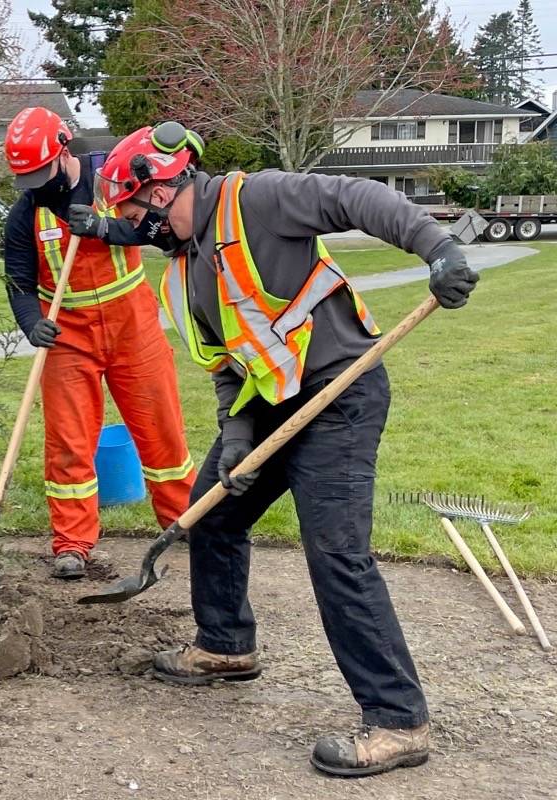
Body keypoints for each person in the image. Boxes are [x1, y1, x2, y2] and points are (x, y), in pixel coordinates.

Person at [75, 122, 478, 777]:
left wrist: (435, 248)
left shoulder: (258, 199)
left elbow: (355, 198)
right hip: (268, 408)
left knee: (336, 556)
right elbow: (228, 360)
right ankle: (226, 645)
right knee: (211, 514)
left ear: (169, 186)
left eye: (134, 211)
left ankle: (399, 720)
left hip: (339, 396)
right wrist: (236, 436)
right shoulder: (181, 269)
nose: (133, 228)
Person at [1, 107, 197, 579]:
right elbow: (19, 283)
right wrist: (32, 323)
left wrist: (105, 228)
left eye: (41, 174)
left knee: (162, 431)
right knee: (68, 442)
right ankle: (72, 544)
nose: (35, 187)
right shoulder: (23, 217)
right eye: (26, 179)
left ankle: (187, 521)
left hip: (133, 328)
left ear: (64, 151)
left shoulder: (114, 176)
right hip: (68, 339)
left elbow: (158, 228)